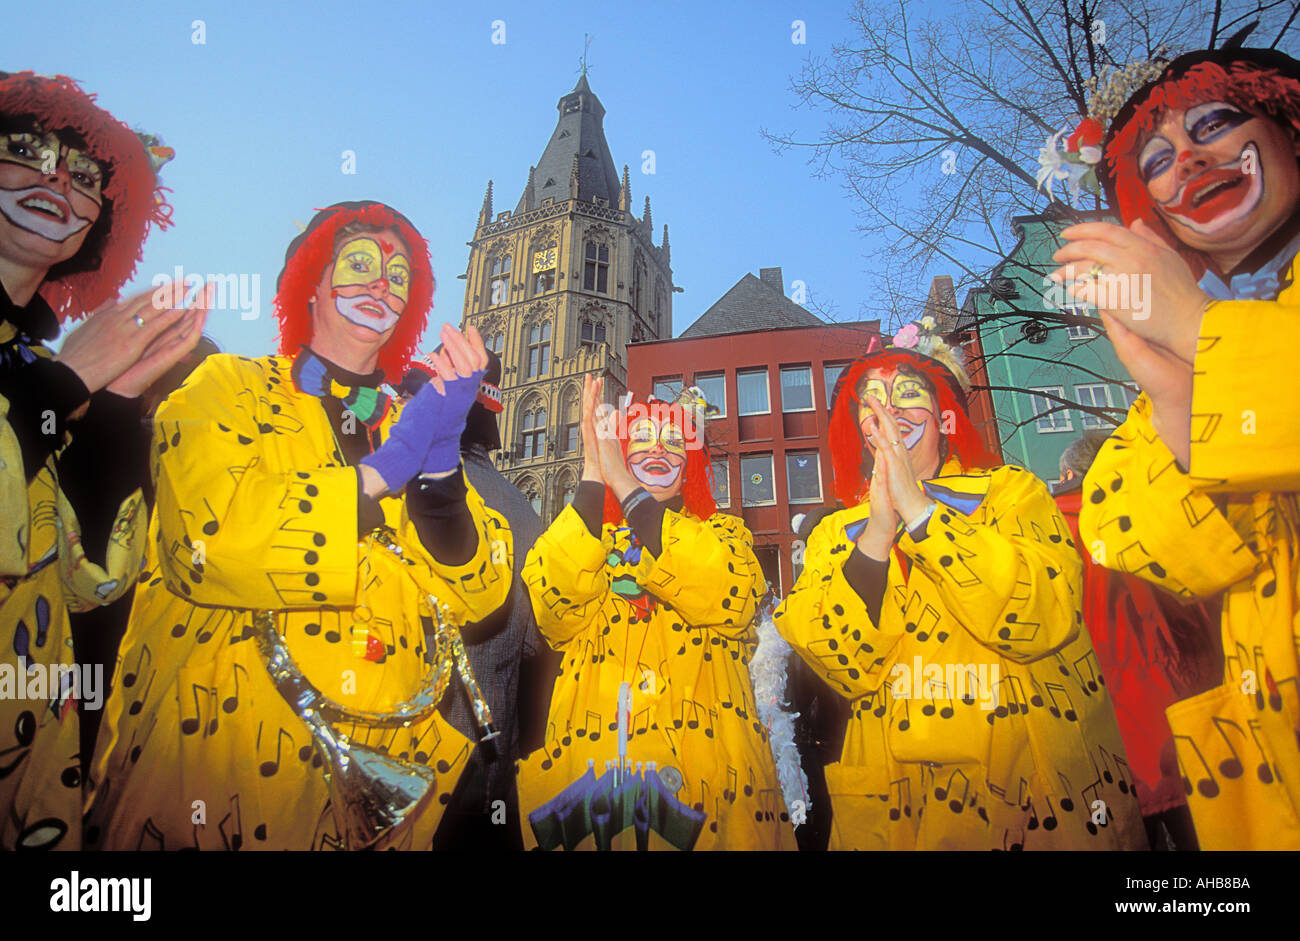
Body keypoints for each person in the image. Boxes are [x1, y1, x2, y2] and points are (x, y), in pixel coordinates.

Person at [86, 201, 512, 850]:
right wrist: (381, 474)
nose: (381, 285)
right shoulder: (225, 386)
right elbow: (207, 540)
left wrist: (439, 467)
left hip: (378, 796)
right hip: (211, 784)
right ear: (310, 280)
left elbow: (479, 592)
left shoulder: (406, 420)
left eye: (399, 276)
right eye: (360, 264)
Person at [1052, 38, 1300, 849]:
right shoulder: (1187, 356)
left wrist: (1198, 328)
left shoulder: (1208, 322)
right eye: (1156, 158)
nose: (1190, 160)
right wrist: (1174, 393)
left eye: (1217, 122)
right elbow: (1154, 545)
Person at [775, 320, 1145, 850]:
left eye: (908, 394)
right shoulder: (836, 531)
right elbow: (844, 663)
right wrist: (878, 533)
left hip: (1033, 789)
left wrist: (923, 515)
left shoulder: (1010, 493)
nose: (889, 410)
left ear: (945, 415)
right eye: (872, 400)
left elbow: (1043, 615)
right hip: (899, 800)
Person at [0, 71, 205, 850]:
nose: (56, 178)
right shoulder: (44, 368)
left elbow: (83, 583)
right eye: (25, 149)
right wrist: (62, 385)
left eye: (83, 175)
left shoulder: (34, 358)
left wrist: (113, 414)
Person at [517, 376, 796, 849]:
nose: (657, 451)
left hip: (713, 792)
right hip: (598, 796)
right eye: (640, 439)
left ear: (691, 464)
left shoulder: (726, 538)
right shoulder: (589, 541)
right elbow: (553, 609)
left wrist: (625, 487)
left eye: (673, 442)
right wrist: (591, 473)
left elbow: (728, 595)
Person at [398, 347, 556, 850]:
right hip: (482, 769)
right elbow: (537, 643)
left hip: (392, 764)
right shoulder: (524, 514)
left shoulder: (394, 489)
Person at [1053, 431, 1220, 850]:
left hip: (1104, 729)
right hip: (1190, 716)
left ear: (1070, 474)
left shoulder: (1052, 529)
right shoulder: (1161, 514)